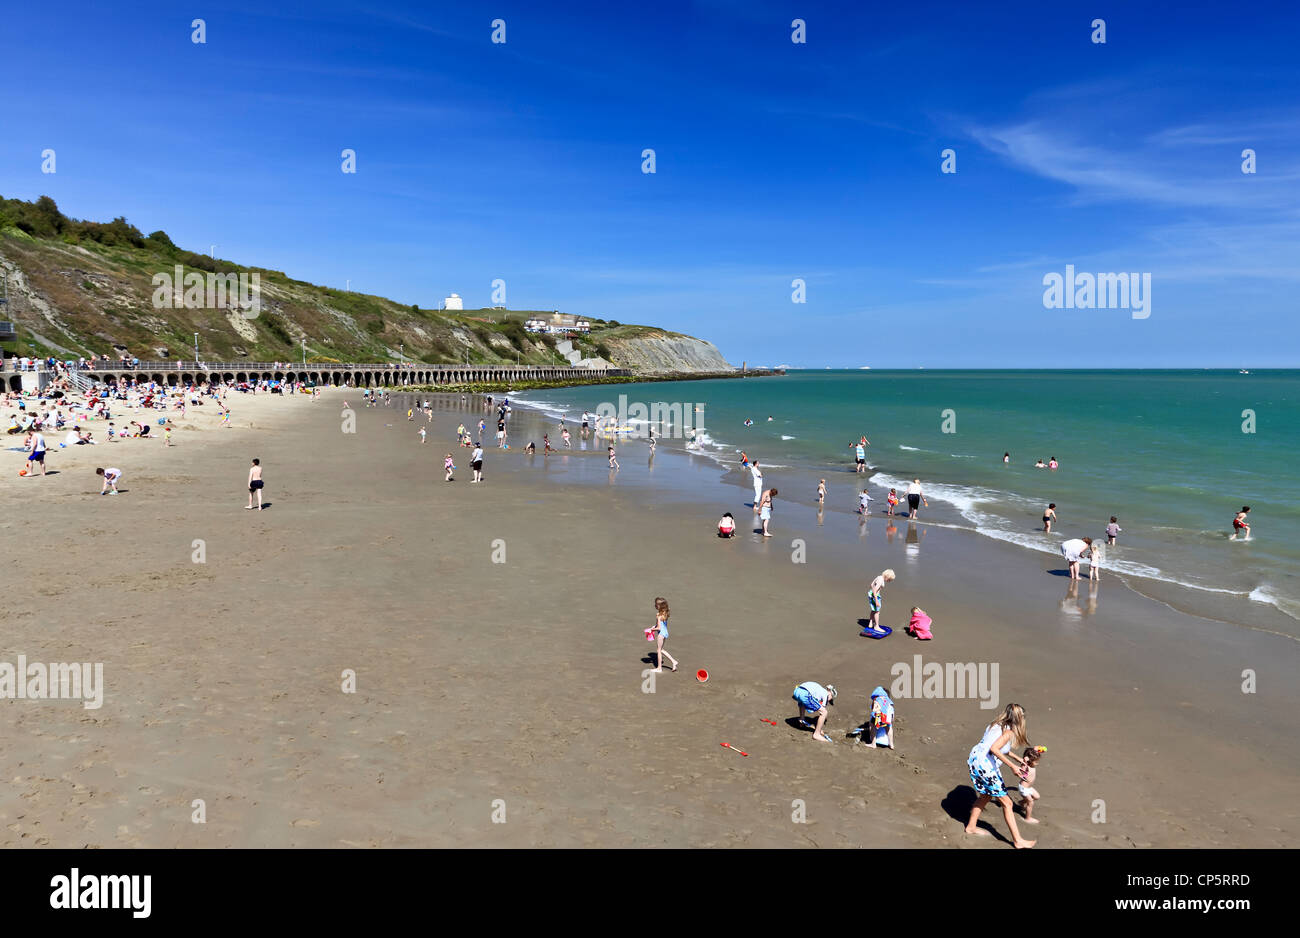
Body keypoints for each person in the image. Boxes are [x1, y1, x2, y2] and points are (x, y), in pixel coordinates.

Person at [964, 703, 1035, 848]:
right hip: (985, 765)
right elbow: (995, 748)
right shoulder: (1008, 732)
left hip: (975, 759)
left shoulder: (996, 724)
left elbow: (999, 746)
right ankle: (1018, 841)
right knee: (1007, 803)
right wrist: (1013, 767)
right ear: (1019, 719)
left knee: (985, 796)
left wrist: (1017, 759)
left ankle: (971, 827)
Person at [1016, 746, 1047, 824]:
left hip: (1029, 788)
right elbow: (1021, 771)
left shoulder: (1032, 765)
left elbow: (1033, 750)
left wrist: (1038, 749)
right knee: (1031, 802)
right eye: (1036, 761)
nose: (1037, 762)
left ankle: (1022, 802)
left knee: (1037, 796)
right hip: (1023, 788)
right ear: (1030, 760)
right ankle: (1027, 818)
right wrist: (1025, 762)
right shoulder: (1026, 767)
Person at [650, 597, 678, 673]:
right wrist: (654, 627)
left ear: (659, 606)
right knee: (661, 649)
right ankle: (674, 661)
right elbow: (661, 625)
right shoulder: (665, 614)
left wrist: (651, 630)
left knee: (658, 650)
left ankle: (659, 668)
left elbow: (659, 628)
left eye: (656, 604)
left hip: (661, 634)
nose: (655, 605)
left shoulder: (658, 616)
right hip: (665, 633)